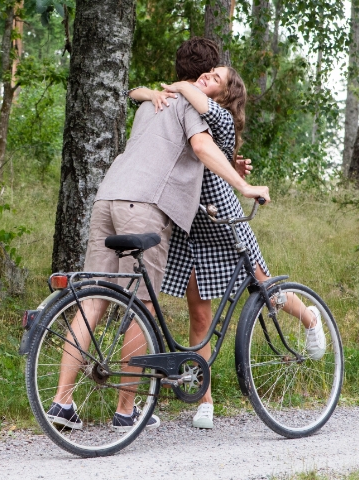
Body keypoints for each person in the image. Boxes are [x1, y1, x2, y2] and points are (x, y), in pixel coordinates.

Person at [46, 38, 271, 432]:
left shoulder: (154, 100)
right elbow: (201, 147)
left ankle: (61, 402)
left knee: (94, 300)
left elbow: (165, 140)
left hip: (108, 198)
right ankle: (126, 411)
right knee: (142, 306)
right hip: (144, 206)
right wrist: (245, 186)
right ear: (205, 75)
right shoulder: (189, 104)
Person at [126, 44, 326, 430]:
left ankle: (310, 318)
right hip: (193, 223)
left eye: (216, 77)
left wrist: (174, 86)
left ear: (224, 93)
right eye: (209, 72)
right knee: (200, 315)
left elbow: (200, 113)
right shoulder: (191, 109)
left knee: (264, 286)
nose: (207, 77)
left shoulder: (214, 113)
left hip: (226, 220)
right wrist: (154, 93)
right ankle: (204, 399)